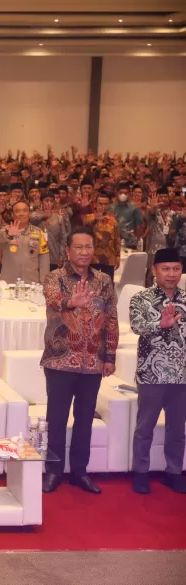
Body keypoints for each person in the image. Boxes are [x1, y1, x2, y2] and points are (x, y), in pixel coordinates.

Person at [40, 227, 118, 494]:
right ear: (68, 251)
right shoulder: (55, 277)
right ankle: (52, 470)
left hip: (93, 360)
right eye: (79, 247)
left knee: (85, 419)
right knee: (57, 417)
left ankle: (79, 471)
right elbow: (52, 298)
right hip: (60, 359)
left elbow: (111, 318)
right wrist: (70, 302)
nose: (84, 252)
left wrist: (110, 355)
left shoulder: (104, 281)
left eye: (88, 247)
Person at [128, 247, 186, 494]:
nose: (171, 274)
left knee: (177, 429)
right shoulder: (140, 299)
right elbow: (136, 326)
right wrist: (159, 324)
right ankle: (141, 472)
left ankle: (173, 472)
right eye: (165, 269)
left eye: (176, 269)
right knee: (145, 427)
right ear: (154, 270)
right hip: (151, 374)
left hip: (181, 375)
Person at [0, 201, 50, 285]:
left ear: (29, 214)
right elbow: (0, 238)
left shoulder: (38, 232)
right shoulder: (6, 230)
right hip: (9, 282)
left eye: (24, 210)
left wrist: (44, 279)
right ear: (12, 215)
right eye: (17, 211)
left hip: (31, 281)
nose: (21, 214)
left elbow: (44, 257)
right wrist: (9, 234)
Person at [81, 193, 121, 280]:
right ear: (95, 204)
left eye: (105, 204)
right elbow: (87, 225)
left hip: (109, 259)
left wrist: (117, 256)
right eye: (100, 204)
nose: (103, 206)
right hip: (92, 258)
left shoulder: (112, 221)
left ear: (109, 205)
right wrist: (96, 219)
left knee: (108, 286)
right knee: (91, 285)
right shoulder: (89, 217)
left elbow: (117, 239)